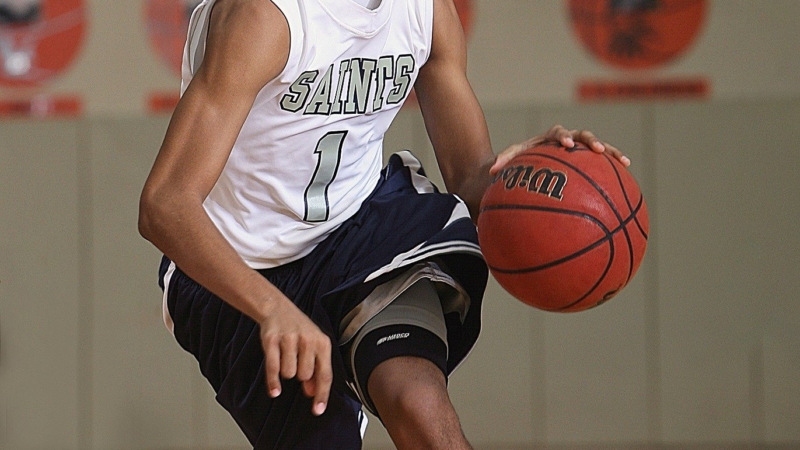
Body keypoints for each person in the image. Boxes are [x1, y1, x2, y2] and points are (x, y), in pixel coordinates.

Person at [138, 0, 629, 448]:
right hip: (238, 265)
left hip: (360, 230)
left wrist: (526, 179)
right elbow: (165, 205)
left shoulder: (428, 12)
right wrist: (272, 309)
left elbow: (469, 177)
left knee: (419, 403)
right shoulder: (266, 17)